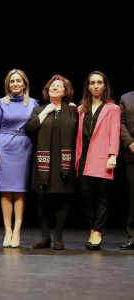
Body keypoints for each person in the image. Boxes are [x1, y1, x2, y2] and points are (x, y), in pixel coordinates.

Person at [25, 75, 78, 250]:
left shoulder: (73, 110)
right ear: (47, 91)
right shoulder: (38, 109)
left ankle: (58, 237)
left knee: (62, 198)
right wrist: (46, 111)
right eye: (52, 86)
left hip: (64, 163)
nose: (54, 88)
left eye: (59, 86)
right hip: (43, 163)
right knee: (42, 198)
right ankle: (45, 236)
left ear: (65, 92)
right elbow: (30, 128)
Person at [0, 69, 39, 248]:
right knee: (5, 191)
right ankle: (7, 231)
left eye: (19, 81)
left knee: (19, 191)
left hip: (24, 148)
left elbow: (42, 120)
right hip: (3, 147)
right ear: (7, 84)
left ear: (25, 84)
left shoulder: (33, 103)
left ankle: (17, 231)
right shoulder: (1, 103)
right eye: (12, 81)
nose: (15, 84)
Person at [75, 70, 120, 250]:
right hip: (84, 156)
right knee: (86, 195)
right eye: (92, 83)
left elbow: (115, 134)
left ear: (104, 85)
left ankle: (97, 231)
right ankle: (93, 227)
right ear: (88, 86)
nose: (95, 86)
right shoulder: (81, 108)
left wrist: (113, 155)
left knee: (101, 196)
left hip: (102, 157)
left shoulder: (112, 108)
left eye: (99, 82)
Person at [119, 87, 134, 250]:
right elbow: (120, 123)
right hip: (132, 153)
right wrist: (130, 142)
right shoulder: (126, 98)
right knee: (133, 197)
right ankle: (133, 236)